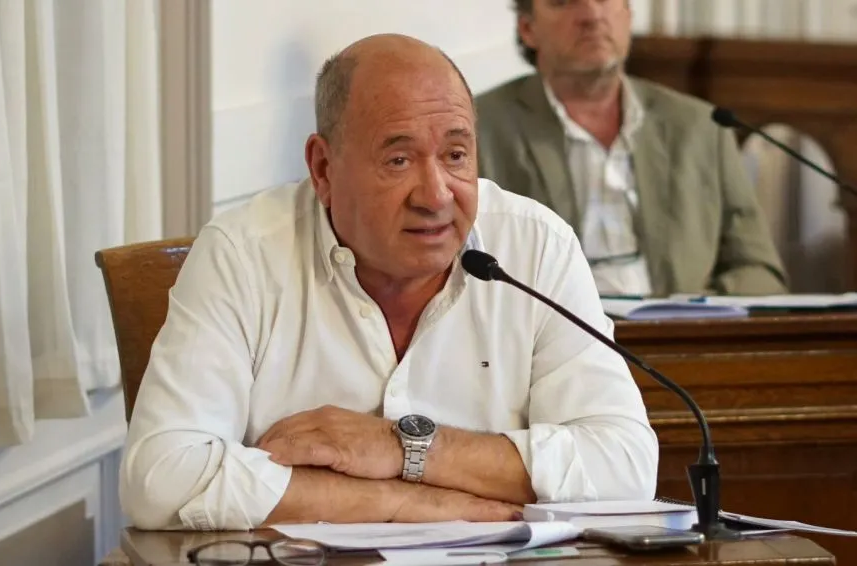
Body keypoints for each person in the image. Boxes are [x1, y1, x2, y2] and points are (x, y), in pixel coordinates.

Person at [119, 33, 658, 531]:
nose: (436, 195)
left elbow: (625, 465)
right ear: (323, 169)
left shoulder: (537, 247)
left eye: (456, 155)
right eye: (398, 160)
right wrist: (406, 503)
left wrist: (400, 448)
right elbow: (159, 479)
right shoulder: (243, 255)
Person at [475, 0, 788, 298]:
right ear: (528, 29)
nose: (592, 15)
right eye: (564, 2)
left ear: (628, 14)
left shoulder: (701, 127)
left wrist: (698, 312)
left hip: (676, 329)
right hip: (548, 331)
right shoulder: (480, 128)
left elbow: (759, 270)